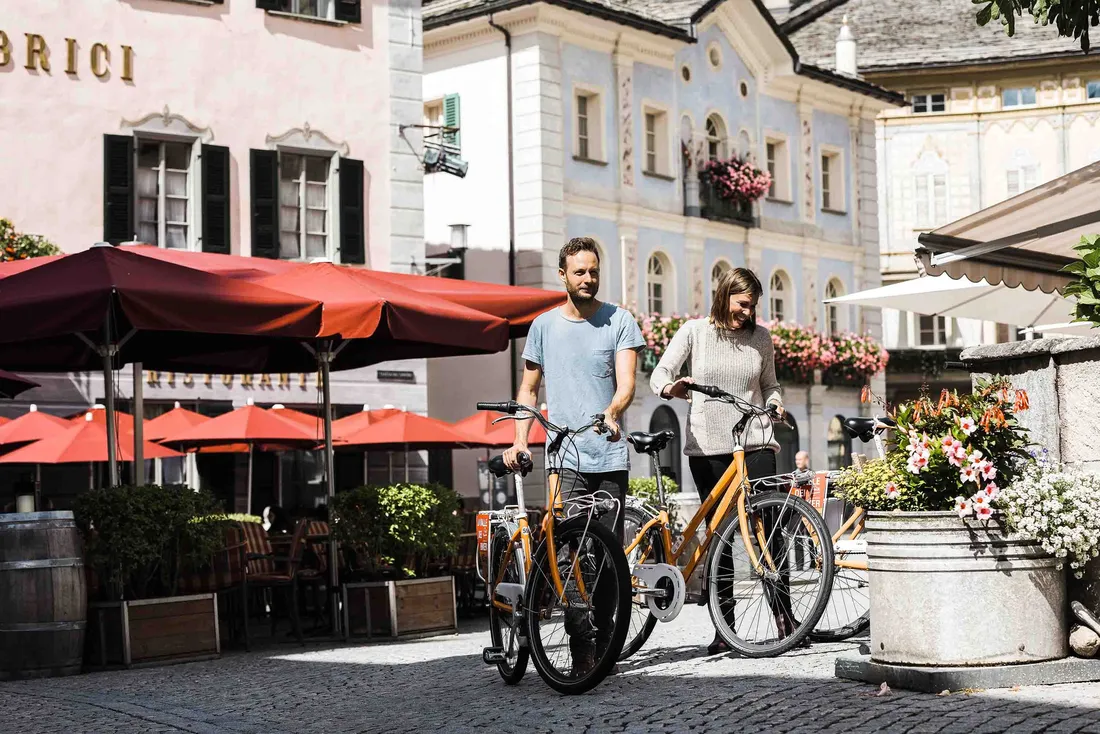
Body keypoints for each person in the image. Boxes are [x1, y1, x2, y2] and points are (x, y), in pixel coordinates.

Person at [503, 236, 645, 675]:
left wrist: (612, 412)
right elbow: (528, 390)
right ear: (563, 275)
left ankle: (605, 643)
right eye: (579, 271)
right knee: (571, 555)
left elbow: (626, 383)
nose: (588, 278)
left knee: (607, 556)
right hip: (563, 458)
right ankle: (581, 647)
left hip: (609, 457)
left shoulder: (619, 320)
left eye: (593, 271)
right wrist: (520, 439)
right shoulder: (543, 327)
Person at [649, 266, 786, 656]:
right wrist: (672, 387)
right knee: (720, 535)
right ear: (725, 296)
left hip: (755, 440)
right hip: (708, 445)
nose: (748, 312)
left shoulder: (761, 337)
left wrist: (775, 402)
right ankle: (725, 626)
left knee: (769, 527)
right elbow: (660, 373)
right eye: (743, 304)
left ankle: (786, 617)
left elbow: (770, 385)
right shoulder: (695, 332)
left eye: (753, 305)